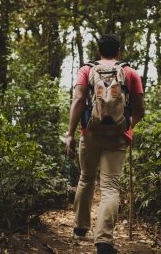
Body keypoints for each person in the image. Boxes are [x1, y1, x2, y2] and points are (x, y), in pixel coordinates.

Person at [65, 34, 145, 254]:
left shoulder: (86, 70)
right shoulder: (130, 73)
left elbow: (79, 100)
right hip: (117, 137)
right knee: (110, 187)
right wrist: (126, 127)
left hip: (89, 133)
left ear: (99, 51)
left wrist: (70, 134)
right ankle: (104, 241)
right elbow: (140, 110)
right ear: (119, 51)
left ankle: (80, 228)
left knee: (86, 178)